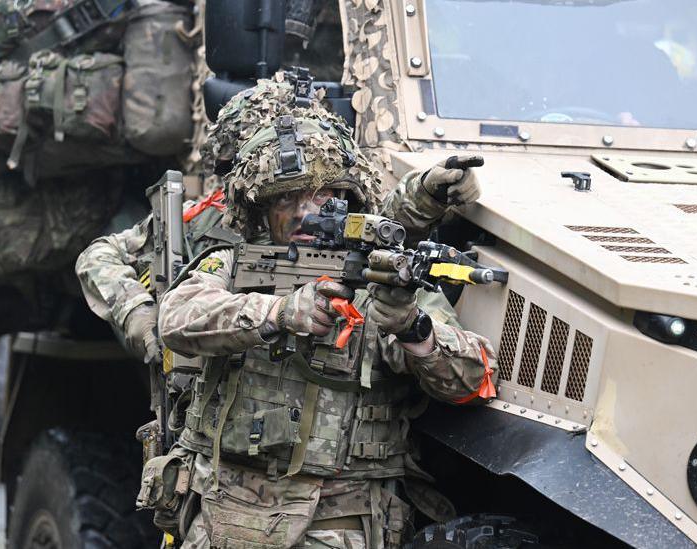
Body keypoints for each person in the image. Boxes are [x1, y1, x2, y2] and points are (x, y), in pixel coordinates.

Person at [156, 113, 496, 548]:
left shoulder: (377, 279)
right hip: (224, 513)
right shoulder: (236, 266)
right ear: (262, 210)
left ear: (346, 203)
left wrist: (415, 331)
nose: (304, 213)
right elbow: (176, 318)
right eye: (286, 200)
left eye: (322, 198)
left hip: (341, 516)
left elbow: (473, 379)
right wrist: (277, 313)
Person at [76, 71, 480, 365]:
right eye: (284, 194)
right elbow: (101, 257)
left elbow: (362, 226)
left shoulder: (331, 212)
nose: (304, 210)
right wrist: (139, 317)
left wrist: (424, 194)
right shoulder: (204, 218)